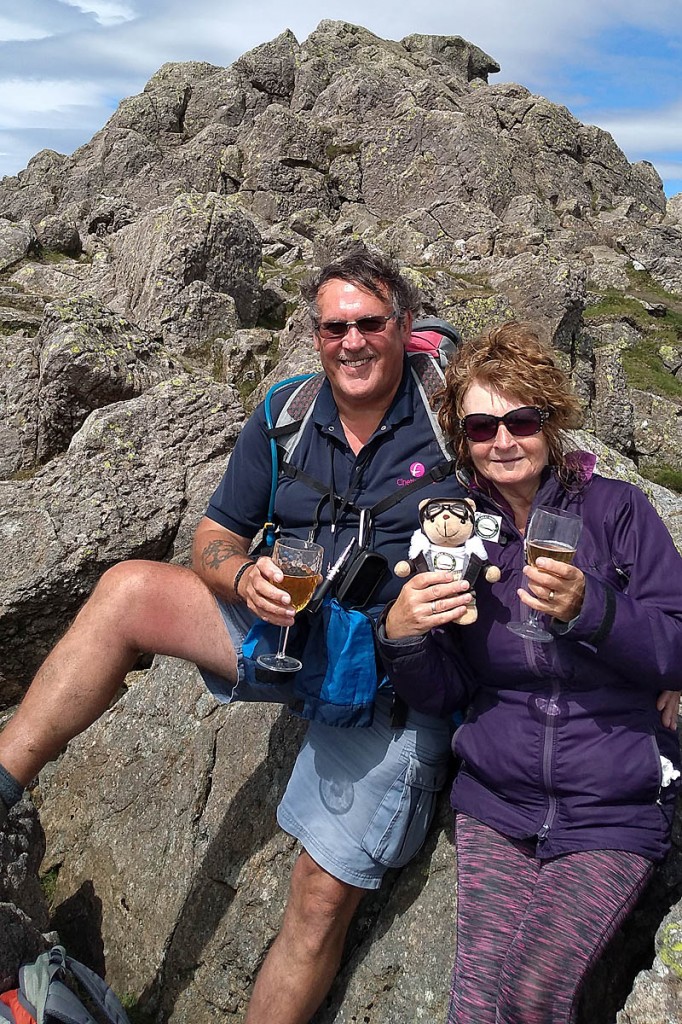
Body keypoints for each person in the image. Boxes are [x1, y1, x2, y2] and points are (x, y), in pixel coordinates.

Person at [0, 247, 458, 1023]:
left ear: (403, 325)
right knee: (125, 590)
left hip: (394, 679)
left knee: (318, 900)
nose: (351, 342)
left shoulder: (450, 413)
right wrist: (242, 577)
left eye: (370, 324)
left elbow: (539, 478)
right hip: (289, 633)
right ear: (314, 334)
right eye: (333, 326)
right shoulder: (287, 411)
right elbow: (216, 531)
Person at [376, 321, 682, 1024]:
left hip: (612, 807)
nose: (503, 441)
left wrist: (593, 609)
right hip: (496, 803)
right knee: (476, 1004)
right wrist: (402, 636)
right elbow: (446, 692)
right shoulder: (453, 536)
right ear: (462, 439)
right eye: (482, 427)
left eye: (521, 419)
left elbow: (678, 647)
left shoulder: (619, 512)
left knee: (534, 998)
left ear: (550, 421)